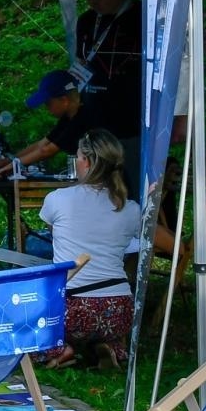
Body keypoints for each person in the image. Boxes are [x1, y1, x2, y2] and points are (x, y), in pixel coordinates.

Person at [39, 129, 141, 369]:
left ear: (85, 161)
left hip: (74, 309)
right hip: (119, 309)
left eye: (77, 156)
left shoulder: (58, 198)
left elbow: (54, 233)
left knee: (29, 317)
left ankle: (61, 349)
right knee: (101, 325)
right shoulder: (130, 208)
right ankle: (108, 346)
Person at [74, 0, 142, 194]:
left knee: (132, 192)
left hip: (131, 125)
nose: (93, 3)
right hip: (95, 125)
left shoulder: (141, 16)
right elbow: (80, 63)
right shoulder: (86, 21)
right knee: (98, 193)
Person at [0, 70, 104, 180]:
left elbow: (47, 150)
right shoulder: (70, 115)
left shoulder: (84, 118)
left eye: (48, 104)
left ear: (64, 100)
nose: (46, 108)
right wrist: (10, 160)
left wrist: (10, 167)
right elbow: (42, 144)